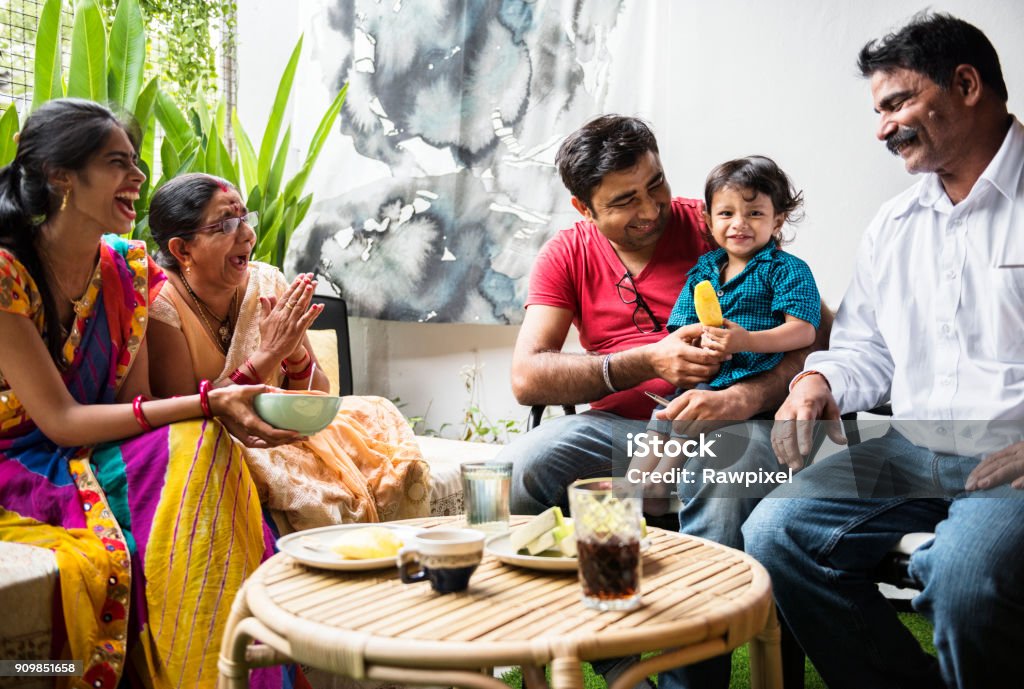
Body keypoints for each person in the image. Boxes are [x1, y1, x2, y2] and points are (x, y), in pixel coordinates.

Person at [742, 12, 1024, 689]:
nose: (882, 127)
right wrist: (818, 382)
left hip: (1012, 454)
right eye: (878, 109)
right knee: (776, 532)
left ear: (965, 84)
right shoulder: (894, 224)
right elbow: (867, 347)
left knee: (964, 576)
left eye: (897, 102)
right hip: (913, 448)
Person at [501, 114, 827, 689]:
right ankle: (607, 655)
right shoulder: (567, 254)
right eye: (625, 200)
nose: (652, 208)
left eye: (655, 183)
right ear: (586, 209)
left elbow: (820, 335)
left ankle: (689, 684)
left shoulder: (715, 221)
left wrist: (747, 394)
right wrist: (646, 360)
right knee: (525, 465)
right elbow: (528, 376)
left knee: (717, 481)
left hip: (733, 423)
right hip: (630, 432)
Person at [0, 100, 305, 688]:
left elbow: (131, 405)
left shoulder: (128, 268)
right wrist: (213, 401)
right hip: (24, 462)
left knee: (204, 444)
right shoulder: (9, 272)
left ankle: (230, 672)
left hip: (96, 446)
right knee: (200, 434)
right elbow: (62, 421)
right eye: (119, 163)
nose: (139, 178)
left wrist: (222, 403)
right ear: (61, 176)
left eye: (136, 162)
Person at [146, 173, 431, 532]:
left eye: (245, 219)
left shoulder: (267, 283)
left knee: (377, 415)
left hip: (284, 432)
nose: (247, 235)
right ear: (182, 249)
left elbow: (316, 392)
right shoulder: (161, 303)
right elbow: (185, 418)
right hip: (222, 444)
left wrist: (294, 353)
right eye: (226, 225)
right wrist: (266, 356)